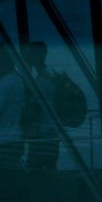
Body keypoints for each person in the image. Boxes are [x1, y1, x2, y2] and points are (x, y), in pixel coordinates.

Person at [0, 42, 25, 202]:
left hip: (0, 141)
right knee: (11, 179)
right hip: (13, 138)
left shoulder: (2, 84)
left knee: (0, 181)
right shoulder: (17, 80)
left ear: (3, 60)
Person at [22, 41, 59, 173]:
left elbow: (37, 109)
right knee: (49, 167)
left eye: (30, 53)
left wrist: (26, 128)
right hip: (52, 132)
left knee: (35, 169)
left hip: (42, 134)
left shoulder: (41, 80)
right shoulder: (51, 76)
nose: (28, 57)